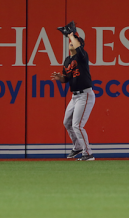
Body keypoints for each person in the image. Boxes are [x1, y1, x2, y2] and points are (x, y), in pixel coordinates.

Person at [51, 22, 95, 161]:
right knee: (67, 123)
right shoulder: (67, 60)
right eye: (70, 41)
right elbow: (67, 80)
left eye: (73, 41)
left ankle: (88, 153)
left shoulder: (82, 57)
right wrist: (61, 78)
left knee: (78, 125)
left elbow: (78, 46)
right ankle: (77, 147)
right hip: (75, 96)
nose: (70, 42)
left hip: (85, 95)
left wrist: (72, 34)